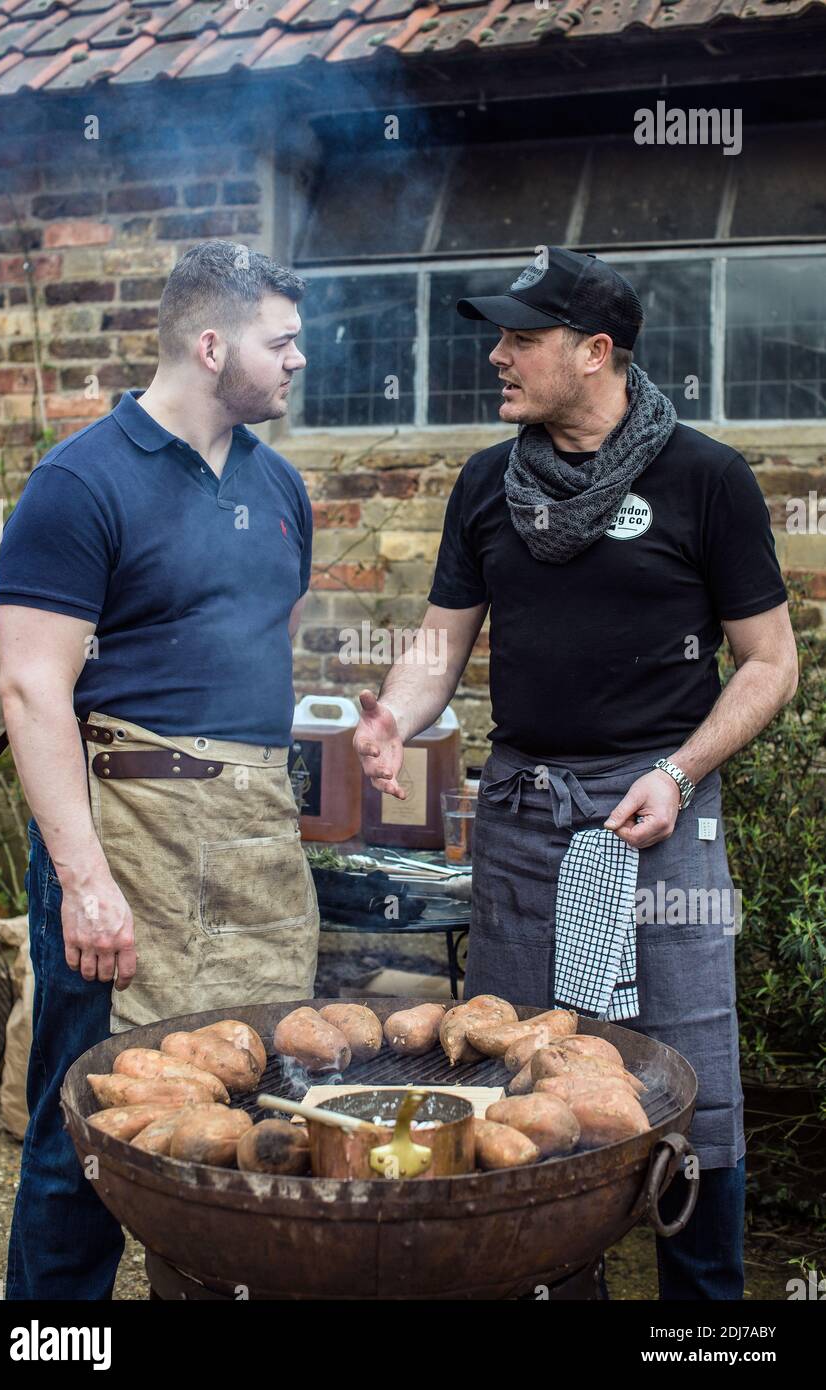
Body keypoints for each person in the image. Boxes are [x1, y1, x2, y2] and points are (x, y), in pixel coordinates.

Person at [353, 246, 798, 1300]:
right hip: (522, 817)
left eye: (520, 337)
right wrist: (390, 717)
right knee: (515, 1064)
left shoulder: (703, 477)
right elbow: (439, 643)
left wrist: (679, 772)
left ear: (594, 352)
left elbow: (770, 662)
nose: (494, 356)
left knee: (687, 1079)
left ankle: (702, 1317)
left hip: (658, 818)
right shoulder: (485, 482)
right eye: (495, 335)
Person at [0, 241, 320, 1300]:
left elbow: (269, 647)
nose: (297, 362)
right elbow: (34, 691)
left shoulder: (280, 488)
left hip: (253, 840)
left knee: (257, 1111)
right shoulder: (79, 481)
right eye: (281, 342)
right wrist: (85, 880)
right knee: (88, 1121)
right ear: (211, 343)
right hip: (125, 831)